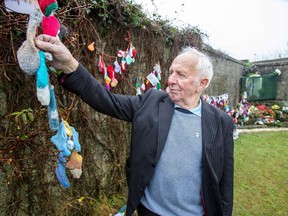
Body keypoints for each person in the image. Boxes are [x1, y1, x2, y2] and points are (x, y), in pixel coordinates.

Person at [35, 34, 234, 216]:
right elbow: (105, 100)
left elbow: (224, 184)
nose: (170, 80)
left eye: (180, 75)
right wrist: (69, 64)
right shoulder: (151, 102)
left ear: (202, 83)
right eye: (171, 72)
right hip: (149, 211)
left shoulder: (220, 122)